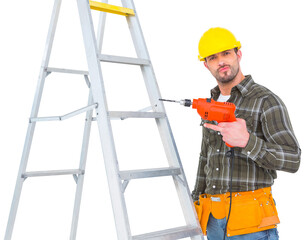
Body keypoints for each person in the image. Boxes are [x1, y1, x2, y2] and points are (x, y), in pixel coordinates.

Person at [191, 27, 301, 240]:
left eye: (226, 53)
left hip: (252, 224)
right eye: (213, 57)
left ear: (238, 54)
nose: (221, 61)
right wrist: (194, 202)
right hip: (213, 221)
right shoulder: (210, 105)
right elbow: (205, 158)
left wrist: (248, 142)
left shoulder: (266, 101)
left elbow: (293, 159)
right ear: (206, 65)